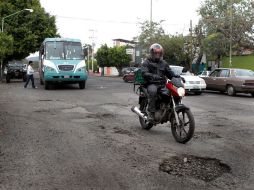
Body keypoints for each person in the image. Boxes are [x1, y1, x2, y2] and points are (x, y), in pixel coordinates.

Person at [140, 43, 178, 122]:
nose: (157, 54)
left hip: (162, 84)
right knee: (153, 91)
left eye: (159, 53)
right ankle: (151, 113)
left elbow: (169, 73)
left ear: (161, 53)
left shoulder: (163, 63)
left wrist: (176, 77)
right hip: (151, 84)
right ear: (152, 53)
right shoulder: (146, 62)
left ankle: (169, 110)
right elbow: (144, 73)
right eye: (156, 53)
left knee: (171, 92)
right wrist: (153, 76)